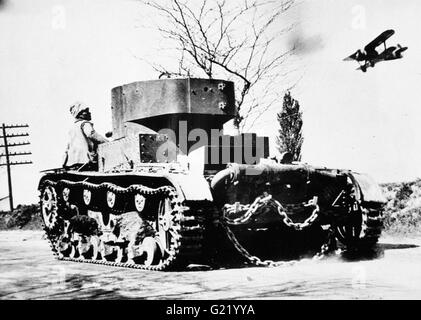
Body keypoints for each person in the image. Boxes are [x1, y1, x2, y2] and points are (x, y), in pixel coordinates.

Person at [62, 101, 108, 171]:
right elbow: (91, 134)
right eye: (86, 111)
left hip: (72, 162)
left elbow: (67, 146)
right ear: (79, 114)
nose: (89, 113)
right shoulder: (84, 124)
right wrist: (107, 142)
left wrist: (64, 162)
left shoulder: (72, 128)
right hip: (85, 161)